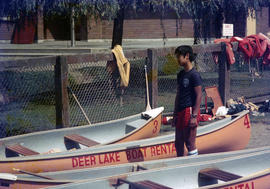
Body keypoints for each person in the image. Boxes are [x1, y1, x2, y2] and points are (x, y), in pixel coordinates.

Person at [172, 45, 202, 157]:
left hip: (189, 111)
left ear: (187, 56)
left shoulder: (194, 75)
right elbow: (178, 94)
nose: (177, 59)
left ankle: (193, 166)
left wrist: (194, 116)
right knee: (178, 143)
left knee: (189, 143)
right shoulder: (180, 75)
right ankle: (180, 166)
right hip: (180, 111)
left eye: (179, 56)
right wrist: (175, 114)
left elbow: (199, 95)